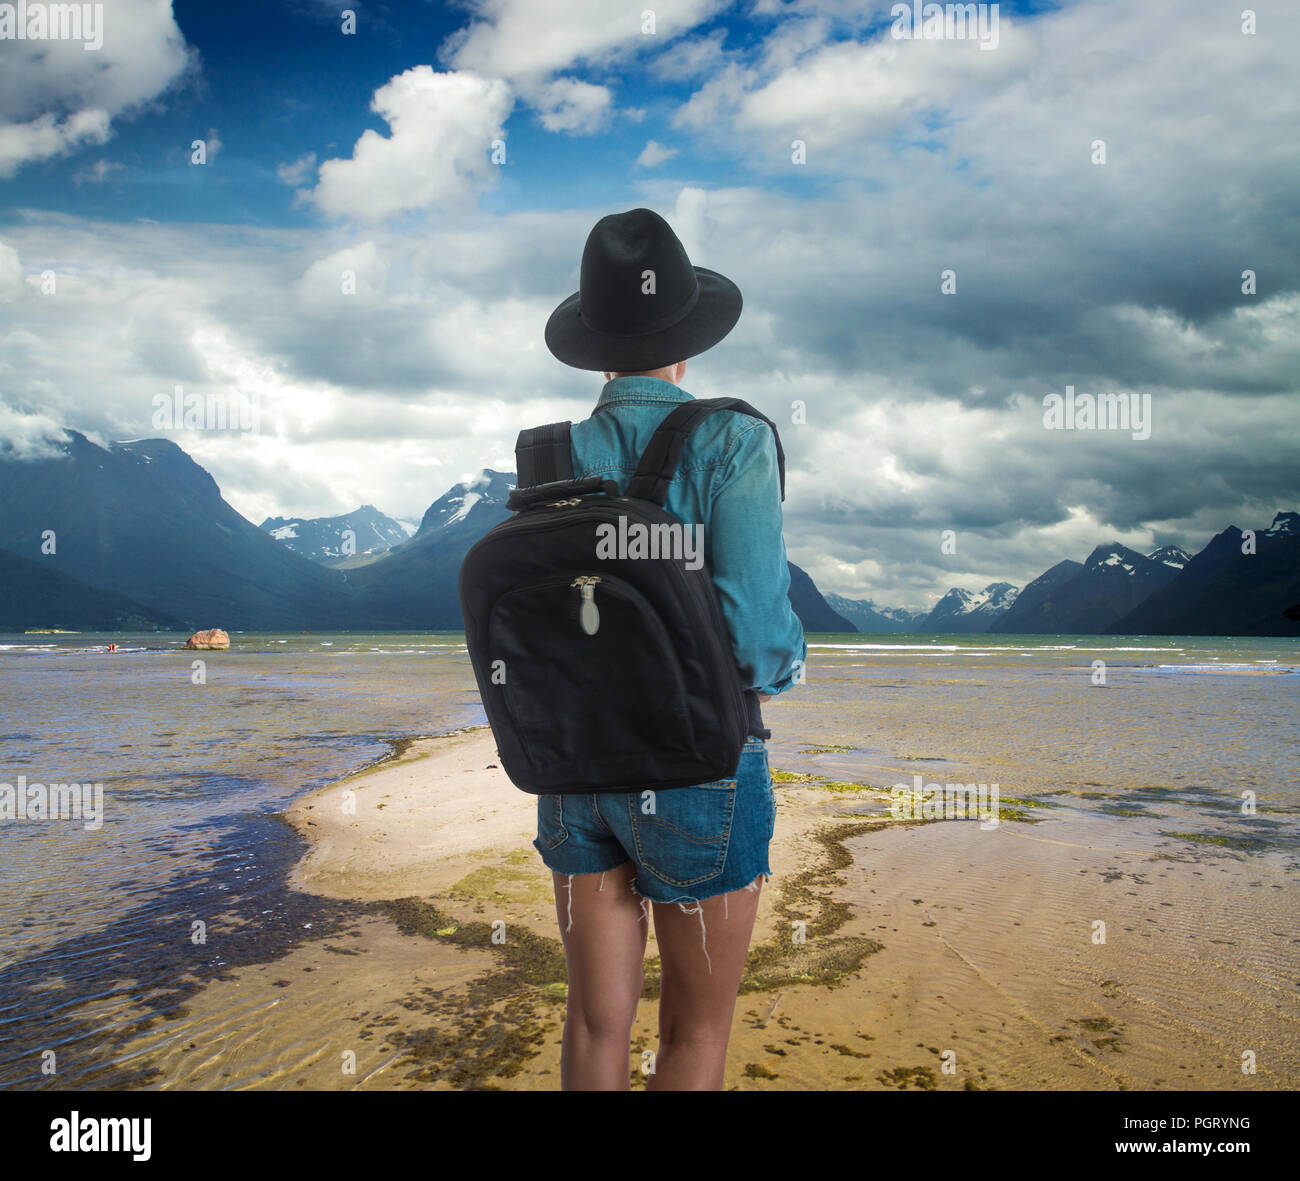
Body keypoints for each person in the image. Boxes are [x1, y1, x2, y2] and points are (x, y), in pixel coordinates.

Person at [535, 207, 806, 1090]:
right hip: (700, 768)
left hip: (576, 771)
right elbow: (758, 639)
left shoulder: (550, 457)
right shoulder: (734, 440)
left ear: (597, 349)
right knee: (693, 1034)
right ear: (687, 343)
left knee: (591, 1022)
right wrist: (787, 665)